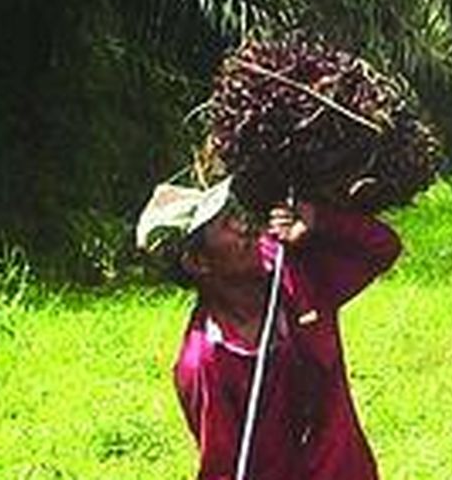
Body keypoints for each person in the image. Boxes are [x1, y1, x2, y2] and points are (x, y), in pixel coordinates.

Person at [136, 176, 402, 480]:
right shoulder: (205, 364)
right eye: (225, 225)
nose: (243, 225)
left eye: (233, 214)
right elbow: (223, 469)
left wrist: (319, 221)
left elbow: (383, 247)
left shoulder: (290, 265)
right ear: (198, 262)